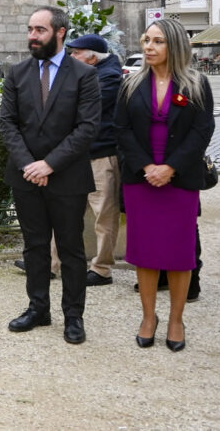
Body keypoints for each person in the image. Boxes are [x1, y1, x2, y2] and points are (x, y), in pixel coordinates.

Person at [0, 6, 99, 345]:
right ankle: (38, 308)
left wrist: (50, 164)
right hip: (26, 177)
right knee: (35, 246)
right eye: (30, 29)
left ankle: (74, 317)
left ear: (60, 32)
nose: (32, 36)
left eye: (39, 30)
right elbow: (7, 123)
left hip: (67, 178)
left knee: (71, 249)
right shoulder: (17, 73)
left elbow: (87, 128)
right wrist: (30, 165)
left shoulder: (84, 75)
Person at [116, 18, 214, 352]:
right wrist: (147, 167)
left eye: (157, 41)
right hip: (141, 180)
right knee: (145, 252)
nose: (149, 47)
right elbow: (121, 129)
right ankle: (148, 317)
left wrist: (170, 168)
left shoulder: (196, 84)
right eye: (146, 40)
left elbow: (202, 131)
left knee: (179, 253)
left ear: (174, 46)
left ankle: (176, 320)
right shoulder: (131, 84)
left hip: (180, 180)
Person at [62, 33, 124, 287]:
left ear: (91, 57)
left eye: (76, 53)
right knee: (64, 211)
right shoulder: (86, 73)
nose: (72, 57)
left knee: (104, 214)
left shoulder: (110, 76)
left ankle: (102, 269)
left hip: (100, 153)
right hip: (77, 153)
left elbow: (81, 107)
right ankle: (50, 263)